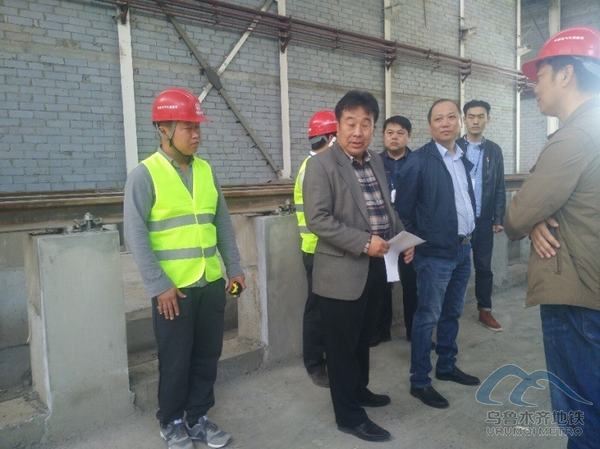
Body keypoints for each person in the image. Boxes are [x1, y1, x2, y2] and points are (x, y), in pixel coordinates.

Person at [124, 87, 245, 449]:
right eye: (188, 127)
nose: (196, 135)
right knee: (176, 359)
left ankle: (197, 417)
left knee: (207, 356)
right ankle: (172, 421)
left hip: (210, 282)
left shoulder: (206, 170)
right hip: (173, 291)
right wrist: (158, 284)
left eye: (198, 127)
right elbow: (135, 234)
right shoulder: (145, 175)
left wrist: (234, 268)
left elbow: (221, 224)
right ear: (164, 129)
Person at [505, 26, 600, 449]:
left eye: (540, 75)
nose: (534, 85)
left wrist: (531, 218)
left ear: (566, 74)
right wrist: (539, 216)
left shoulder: (577, 135)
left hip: (578, 296)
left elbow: (516, 215)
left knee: (582, 412)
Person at [303, 90, 413, 442]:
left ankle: (359, 390)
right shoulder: (321, 165)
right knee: (341, 346)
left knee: (363, 339)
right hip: (341, 273)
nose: (358, 131)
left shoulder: (376, 161)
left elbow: (385, 209)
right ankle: (348, 416)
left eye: (366, 124)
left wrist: (403, 238)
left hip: (376, 268)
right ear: (337, 126)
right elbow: (318, 219)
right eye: (350, 123)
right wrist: (365, 243)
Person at [395, 99, 480, 410]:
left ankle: (446, 364)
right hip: (433, 254)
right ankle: (420, 380)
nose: (445, 123)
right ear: (430, 126)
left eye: (451, 117)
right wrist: (412, 244)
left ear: (459, 122)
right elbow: (403, 211)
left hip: (463, 248)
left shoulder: (462, 157)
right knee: (427, 317)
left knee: (452, 312)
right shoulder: (418, 162)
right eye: (438, 119)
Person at [294, 109, 337, 388]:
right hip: (317, 250)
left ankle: (329, 358)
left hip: (325, 249)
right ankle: (314, 363)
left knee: (328, 309)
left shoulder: (319, 165)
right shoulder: (313, 169)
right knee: (317, 310)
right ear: (331, 138)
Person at [456, 100, 506, 331]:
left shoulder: (494, 150)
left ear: (488, 119)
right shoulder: (454, 146)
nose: (475, 121)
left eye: (480, 116)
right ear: (464, 119)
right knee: (454, 267)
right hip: (458, 220)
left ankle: (485, 310)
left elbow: (499, 186)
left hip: (483, 220)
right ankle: (449, 310)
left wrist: (498, 217)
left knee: (484, 268)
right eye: (471, 116)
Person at [375, 115, 418, 343]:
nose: (394, 137)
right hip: (382, 233)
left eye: (400, 133)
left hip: (409, 233)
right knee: (382, 285)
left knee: (412, 286)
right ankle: (381, 332)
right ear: (383, 136)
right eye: (390, 133)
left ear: (408, 136)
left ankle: (414, 332)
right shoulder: (374, 162)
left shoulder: (417, 162)